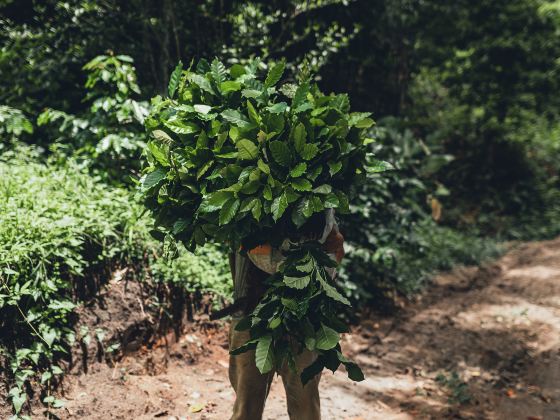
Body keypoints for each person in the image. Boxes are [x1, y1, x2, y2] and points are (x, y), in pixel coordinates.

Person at [227, 209, 345, 420]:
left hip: (303, 317)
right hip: (251, 314)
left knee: (305, 405)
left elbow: (336, 247)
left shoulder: (319, 207)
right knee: (246, 407)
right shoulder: (244, 208)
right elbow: (248, 245)